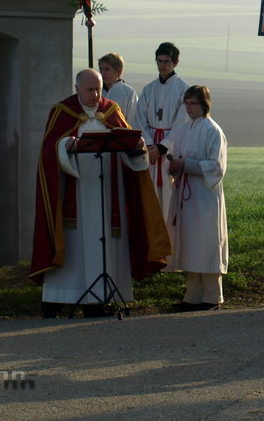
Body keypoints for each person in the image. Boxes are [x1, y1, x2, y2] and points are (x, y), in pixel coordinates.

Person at [29, 69, 171, 317]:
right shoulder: (62, 112)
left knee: (105, 245)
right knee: (74, 248)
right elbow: (49, 151)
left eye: (98, 89)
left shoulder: (112, 110)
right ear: (77, 89)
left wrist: (137, 148)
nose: (95, 95)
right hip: (76, 195)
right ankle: (56, 301)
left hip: (108, 195)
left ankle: (98, 302)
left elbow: (130, 147)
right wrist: (66, 145)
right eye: (89, 90)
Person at [163, 85, 229, 311]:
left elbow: (217, 168)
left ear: (204, 105)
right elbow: (167, 153)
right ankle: (192, 295)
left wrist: (186, 164)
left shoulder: (213, 130)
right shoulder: (182, 130)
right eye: (187, 103)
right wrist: (171, 165)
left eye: (194, 103)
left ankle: (212, 296)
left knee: (207, 242)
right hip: (186, 194)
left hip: (205, 196)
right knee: (191, 243)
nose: (189, 107)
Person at [137, 41, 189, 267]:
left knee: (170, 205)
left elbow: (182, 122)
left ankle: (170, 257)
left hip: (168, 155)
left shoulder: (183, 89)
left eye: (166, 61)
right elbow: (139, 119)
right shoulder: (148, 89)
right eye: (159, 61)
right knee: (150, 203)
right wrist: (150, 145)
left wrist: (163, 147)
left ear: (175, 62)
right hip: (151, 154)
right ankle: (151, 254)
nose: (162, 65)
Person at [98, 52, 139, 127]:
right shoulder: (96, 91)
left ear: (118, 71)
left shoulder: (128, 92)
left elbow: (132, 119)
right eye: (101, 69)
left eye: (107, 69)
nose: (103, 73)